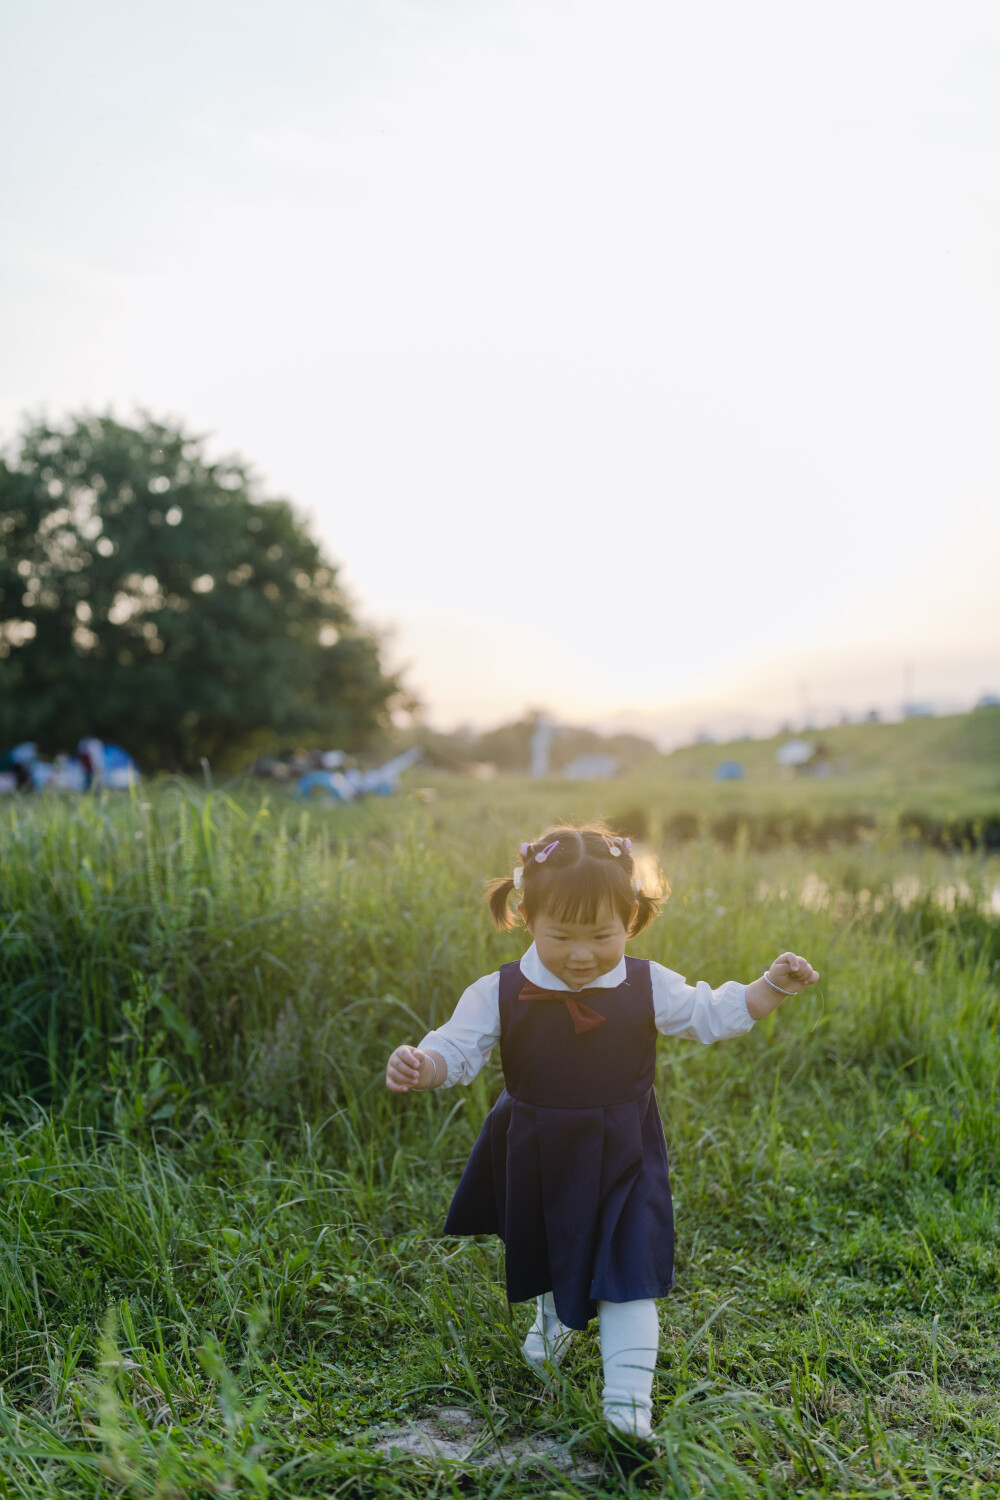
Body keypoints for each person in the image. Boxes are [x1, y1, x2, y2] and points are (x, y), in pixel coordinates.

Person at [385, 824, 818, 1442]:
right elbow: (456, 1050)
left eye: (602, 935)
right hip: (538, 1145)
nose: (582, 953)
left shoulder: (646, 984)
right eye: (562, 936)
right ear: (527, 917)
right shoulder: (499, 992)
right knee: (554, 1253)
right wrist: (422, 1064)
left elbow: (709, 1013)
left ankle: (627, 1409)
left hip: (625, 1149)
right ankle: (550, 1330)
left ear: (631, 921)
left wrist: (770, 986)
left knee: (628, 1273)